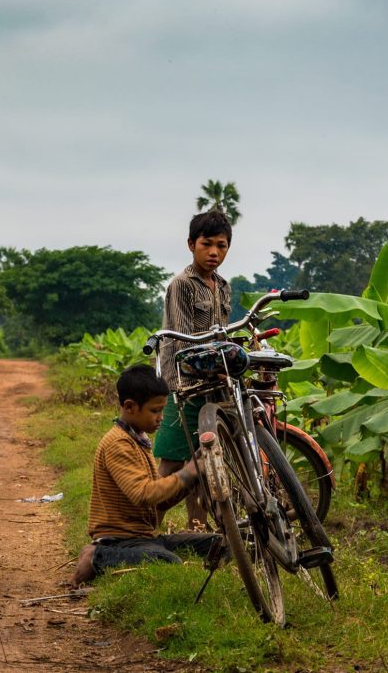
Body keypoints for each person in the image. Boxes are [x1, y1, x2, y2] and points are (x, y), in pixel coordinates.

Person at [70, 364, 219, 588]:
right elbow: (144, 494)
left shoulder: (138, 439)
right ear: (130, 407)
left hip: (146, 538)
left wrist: (193, 479)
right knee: (166, 559)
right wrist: (187, 473)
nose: (160, 418)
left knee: (220, 544)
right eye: (154, 411)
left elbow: (159, 502)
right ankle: (96, 556)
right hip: (120, 541)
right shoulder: (118, 444)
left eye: (162, 410)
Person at [152, 209, 233, 530]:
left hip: (213, 385)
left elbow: (222, 332)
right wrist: (209, 366)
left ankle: (196, 528)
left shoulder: (223, 286)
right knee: (173, 459)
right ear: (191, 245)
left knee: (205, 456)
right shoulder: (181, 285)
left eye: (222, 246)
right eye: (207, 244)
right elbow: (181, 339)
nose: (214, 252)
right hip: (183, 384)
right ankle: (146, 525)